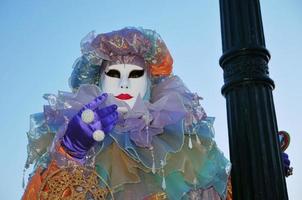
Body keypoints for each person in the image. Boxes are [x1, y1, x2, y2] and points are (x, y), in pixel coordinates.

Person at [22, 27, 247, 200]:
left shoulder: (185, 146)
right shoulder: (73, 144)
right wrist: (70, 155)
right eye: (113, 74)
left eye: (135, 74)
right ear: (97, 82)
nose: (123, 84)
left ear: (151, 83)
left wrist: (264, 170)